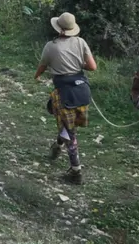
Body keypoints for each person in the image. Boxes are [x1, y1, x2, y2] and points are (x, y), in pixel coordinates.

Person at [35, 12, 97, 183]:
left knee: (70, 131)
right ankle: (57, 145)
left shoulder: (51, 46)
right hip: (82, 91)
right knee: (68, 124)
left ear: (59, 29)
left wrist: (37, 75)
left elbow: (42, 66)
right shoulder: (81, 42)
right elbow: (92, 67)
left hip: (64, 92)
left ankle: (76, 171)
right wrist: (78, 64)